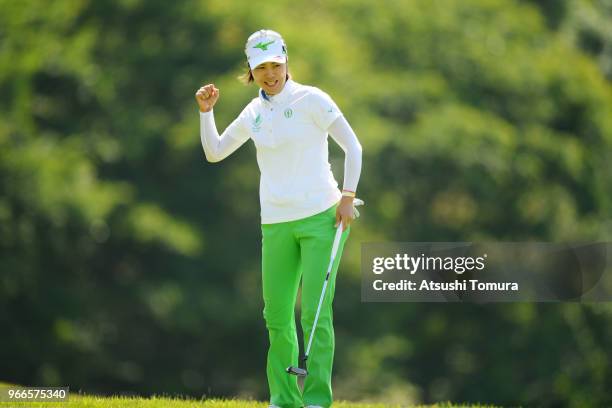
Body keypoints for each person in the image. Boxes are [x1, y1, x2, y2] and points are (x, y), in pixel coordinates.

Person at [195, 29, 362, 408]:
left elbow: (353, 146)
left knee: (316, 315)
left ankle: (317, 399)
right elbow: (215, 151)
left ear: (286, 61)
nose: (270, 73)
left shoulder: (312, 99)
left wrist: (348, 197)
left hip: (323, 217)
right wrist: (207, 115)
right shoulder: (253, 113)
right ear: (250, 72)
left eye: (275, 64)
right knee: (277, 315)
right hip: (275, 223)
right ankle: (284, 401)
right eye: (261, 68)